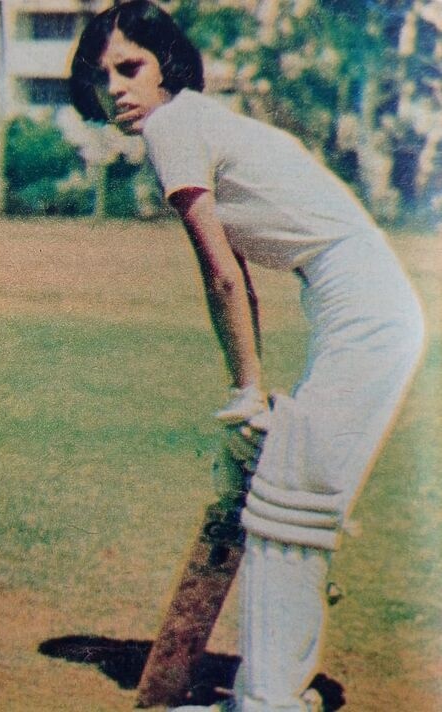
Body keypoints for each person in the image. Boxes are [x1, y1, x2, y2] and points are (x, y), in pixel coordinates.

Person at [70, 3, 425, 710]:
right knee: (285, 504)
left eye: (130, 67)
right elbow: (235, 280)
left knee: (289, 508)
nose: (116, 88)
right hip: (356, 302)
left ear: (166, 65)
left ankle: (268, 702)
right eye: (102, 75)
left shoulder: (173, 126)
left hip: (364, 307)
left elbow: (222, 276)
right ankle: (268, 694)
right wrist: (252, 390)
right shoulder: (197, 121)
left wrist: (247, 392)